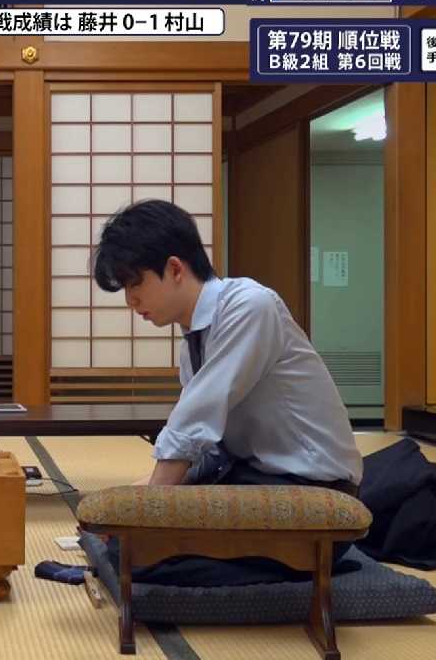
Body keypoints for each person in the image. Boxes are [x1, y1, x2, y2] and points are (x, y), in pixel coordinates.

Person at [92, 200, 363, 585]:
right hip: (255, 478)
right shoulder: (195, 340)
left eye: (135, 283)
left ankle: (317, 559)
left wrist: (147, 510)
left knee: (135, 553)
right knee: (128, 542)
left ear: (175, 269)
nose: (130, 301)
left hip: (315, 493)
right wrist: (142, 494)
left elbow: (193, 422)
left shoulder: (249, 307)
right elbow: (208, 447)